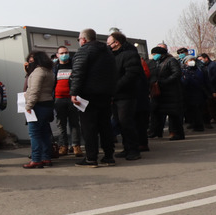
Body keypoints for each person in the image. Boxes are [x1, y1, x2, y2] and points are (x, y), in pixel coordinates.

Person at [69, 29, 118, 167]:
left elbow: (78, 74)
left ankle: (91, 158)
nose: (79, 41)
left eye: (79, 39)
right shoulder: (108, 52)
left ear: (84, 39)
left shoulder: (83, 51)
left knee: (89, 127)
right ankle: (109, 156)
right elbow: (114, 73)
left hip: (88, 96)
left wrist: (74, 92)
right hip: (105, 95)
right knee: (105, 126)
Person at [106, 31, 146, 160]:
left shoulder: (130, 55)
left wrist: (115, 87)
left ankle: (133, 149)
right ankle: (126, 147)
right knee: (119, 122)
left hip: (127, 95)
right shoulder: (112, 56)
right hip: (116, 96)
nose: (108, 46)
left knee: (127, 122)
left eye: (109, 43)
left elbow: (131, 75)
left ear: (116, 43)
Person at [22, 51, 56, 169]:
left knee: (34, 134)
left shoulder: (38, 72)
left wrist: (28, 106)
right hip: (47, 104)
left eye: (31, 61)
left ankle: (36, 159)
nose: (30, 63)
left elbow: (35, 91)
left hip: (38, 106)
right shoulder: (49, 71)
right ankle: (46, 158)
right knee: (45, 133)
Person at [148, 46, 186, 140]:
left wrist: (164, 81)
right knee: (157, 112)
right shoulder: (157, 62)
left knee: (173, 114)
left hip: (172, 92)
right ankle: (156, 131)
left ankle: (177, 133)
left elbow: (177, 73)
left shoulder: (171, 61)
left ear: (160, 54)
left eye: (154, 54)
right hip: (162, 92)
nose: (153, 56)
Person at [53, 46, 82, 158]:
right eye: (62, 53)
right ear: (57, 55)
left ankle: (76, 146)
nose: (64, 54)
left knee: (74, 123)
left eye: (66, 52)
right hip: (58, 99)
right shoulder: (55, 67)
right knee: (61, 124)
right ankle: (63, 146)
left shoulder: (74, 66)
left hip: (72, 99)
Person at [181, 55, 212, 132]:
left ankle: (200, 125)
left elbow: (206, 81)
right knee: (191, 110)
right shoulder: (183, 71)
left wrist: (211, 91)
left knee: (199, 109)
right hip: (188, 93)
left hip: (199, 92)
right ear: (185, 62)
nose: (192, 62)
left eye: (193, 60)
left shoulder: (200, 69)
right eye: (189, 60)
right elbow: (183, 83)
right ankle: (194, 124)